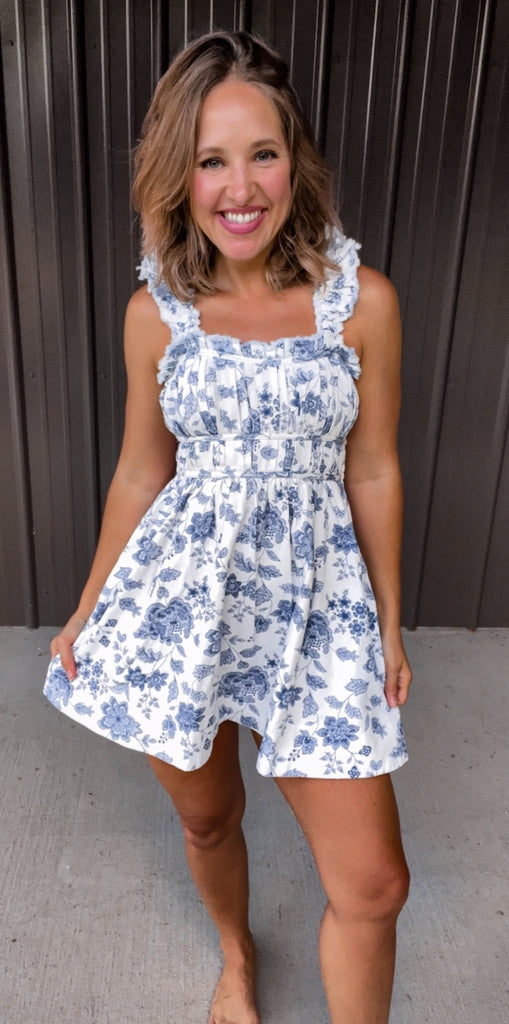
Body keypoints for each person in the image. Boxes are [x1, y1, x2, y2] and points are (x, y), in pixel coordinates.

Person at [44, 30, 412, 1024]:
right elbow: (140, 470)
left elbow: (373, 467)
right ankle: (236, 955)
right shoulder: (157, 313)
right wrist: (88, 607)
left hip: (317, 605)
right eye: (210, 160)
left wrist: (387, 621)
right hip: (183, 604)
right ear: (181, 175)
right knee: (210, 820)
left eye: (261, 154)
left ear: (296, 161)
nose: (238, 188)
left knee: (373, 885)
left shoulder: (361, 304)